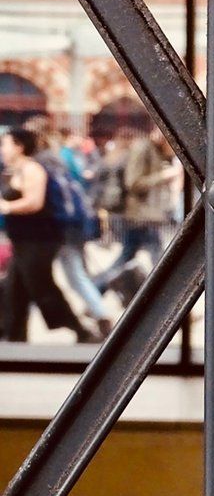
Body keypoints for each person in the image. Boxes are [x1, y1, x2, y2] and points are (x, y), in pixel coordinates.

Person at [0, 129, 99, 343]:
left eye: (5, 145)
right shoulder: (19, 169)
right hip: (24, 241)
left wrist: (6, 206)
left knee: (41, 285)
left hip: (40, 240)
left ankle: (81, 331)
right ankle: (14, 336)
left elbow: (34, 202)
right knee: (15, 289)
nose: (2, 150)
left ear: (19, 146)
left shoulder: (33, 169)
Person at [25, 117, 112, 337]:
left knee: (64, 274)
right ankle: (98, 315)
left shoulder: (41, 161)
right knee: (70, 273)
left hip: (58, 227)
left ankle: (97, 317)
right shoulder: (58, 156)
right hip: (72, 223)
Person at [95, 127, 181, 291]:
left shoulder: (155, 149)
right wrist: (163, 176)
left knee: (127, 256)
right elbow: (133, 182)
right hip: (141, 216)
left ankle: (97, 289)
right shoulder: (143, 148)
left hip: (146, 215)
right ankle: (170, 291)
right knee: (158, 257)